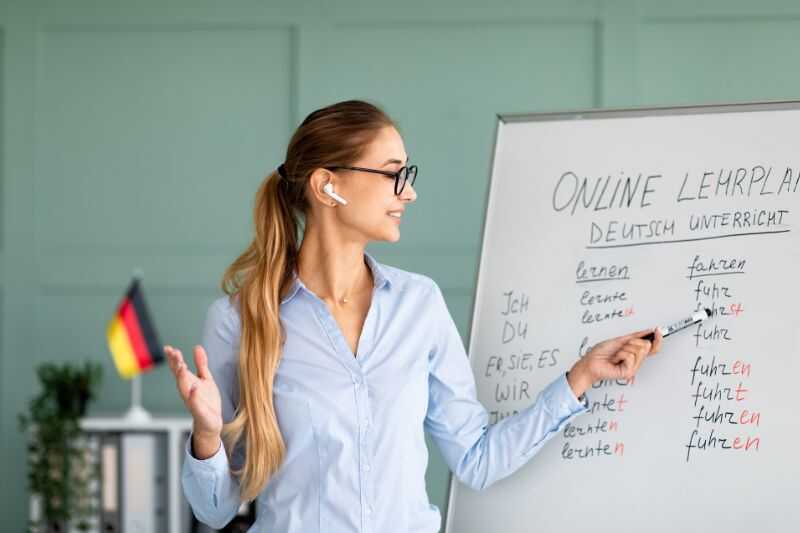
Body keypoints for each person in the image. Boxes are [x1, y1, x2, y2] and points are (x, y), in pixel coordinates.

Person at [164, 99, 663, 533]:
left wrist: (581, 377)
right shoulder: (241, 319)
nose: (409, 191)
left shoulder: (419, 304)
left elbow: (477, 459)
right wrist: (207, 435)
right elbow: (215, 510)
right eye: (392, 172)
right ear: (327, 185)